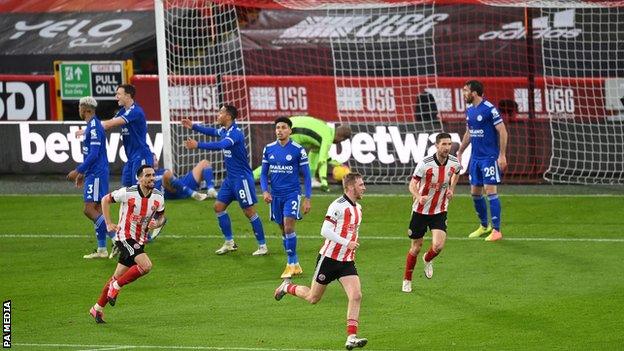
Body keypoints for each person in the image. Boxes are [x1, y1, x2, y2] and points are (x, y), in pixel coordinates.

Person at [274, 172, 368, 350]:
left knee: (356, 295)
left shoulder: (359, 209)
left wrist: (349, 246)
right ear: (350, 187)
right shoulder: (337, 206)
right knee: (313, 298)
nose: (364, 187)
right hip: (329, 260)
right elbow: (325, 231)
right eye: (361, 184)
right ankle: (286, 287)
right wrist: (346, 242)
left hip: (346, 261)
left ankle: (351, 337)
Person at [182, 104, 267, 256]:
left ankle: (262, 246)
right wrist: (193, 126)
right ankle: (229, 243)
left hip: (242, 179)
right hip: (230, 180)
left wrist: (198, 145)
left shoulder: (236, 133)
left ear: (228, 116)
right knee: (218, 207)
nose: (218, 114)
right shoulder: (224, 130)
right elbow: (212, 131)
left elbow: (221, 145)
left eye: (221, 112)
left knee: (249, 211)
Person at [89, 165, 166, 323]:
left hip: (140, 239)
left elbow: (162, 217)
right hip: (125, 237)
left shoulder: (158, 197)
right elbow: (105, 200)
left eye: (153, 175)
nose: (152, 178)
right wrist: (109, 223)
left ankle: (97, 308)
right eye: (148, 175)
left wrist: (157, 224)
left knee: (117, 275)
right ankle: (116, 287)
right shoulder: (127, 192)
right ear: (139, 178)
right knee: (146, 266)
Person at [402, 133, 461, 293]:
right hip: (420, 211)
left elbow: (457, 172)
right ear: (436, 145)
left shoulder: (454, 162)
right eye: (444, 144)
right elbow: (412, 184)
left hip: (439, 210)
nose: (447, 147)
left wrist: (451, 189)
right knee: (415, 247)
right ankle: (407, 279)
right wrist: (418, 196)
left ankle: (427, 259)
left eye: (449, 144)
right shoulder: (425, 164)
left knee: (439, 246)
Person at [260, 117, 312, 279]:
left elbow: (307, 176)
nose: (280, 130)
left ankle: (289, 264)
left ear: (290, 130)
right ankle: (295, 263)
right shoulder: (268, 149)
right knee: (282, 228)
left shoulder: (298, 150)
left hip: (292, 194)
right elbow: (263, 173)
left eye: (283, 127)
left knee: (289, 227)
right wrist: (265, 191)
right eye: (277, 128)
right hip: (275, 196)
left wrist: (307, 198)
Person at [457, 80, 508, 242]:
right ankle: (484, 226)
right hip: (476, 159)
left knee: (490, 191)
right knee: (475, 193)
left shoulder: (489, 109)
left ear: (474, 93)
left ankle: (497, 230)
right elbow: (469, 132)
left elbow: (503, 131)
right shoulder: (470, 110)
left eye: (466, 91)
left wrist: (502, 155)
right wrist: (460, 151)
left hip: (489, 158)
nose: (464, 93)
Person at [66, 96, 115, 259]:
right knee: (99, 209)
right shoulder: (92, 126)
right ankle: (102, 249)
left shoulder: (94, 127)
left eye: (80, 108)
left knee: (89, 210)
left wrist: (78, 170)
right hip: (94, 172)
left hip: (96, 173)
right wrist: (82, 174)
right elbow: (91, 153)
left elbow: (93, 154)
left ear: (85, 110)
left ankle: (117, 240)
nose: (78, 110)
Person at [253, 116, 351, 191]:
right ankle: (251, 177)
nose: (339, 143)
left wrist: (337, 164)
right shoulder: (327, 138)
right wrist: (324, 183)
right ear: (341, 138)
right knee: (278, 161)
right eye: (341, 141)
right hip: (290, 131)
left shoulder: (327, 130)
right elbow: (322, 161)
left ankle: (311, 179)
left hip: (290, 126)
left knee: (316, 150)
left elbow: (323, 156)